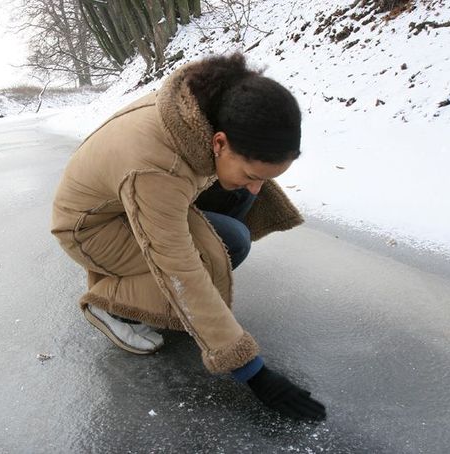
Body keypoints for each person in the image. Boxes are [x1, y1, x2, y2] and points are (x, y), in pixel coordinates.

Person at [51, 53, 326, 421]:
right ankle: (109, 304)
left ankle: (157, 295)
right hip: (91, 230)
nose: (260, 187)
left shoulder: (202, 107)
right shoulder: (156, 168)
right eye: (252, 172)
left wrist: (245, 182)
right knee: (221, 248)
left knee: (237, 200)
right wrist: (252, 371)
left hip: (129, 204)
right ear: (219, 143)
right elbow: (178, 267)